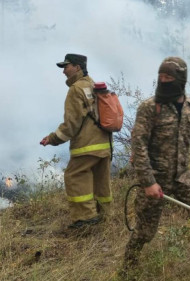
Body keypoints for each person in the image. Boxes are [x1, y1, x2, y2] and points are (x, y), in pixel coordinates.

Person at [124, 57, 190, 275]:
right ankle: (128, 268)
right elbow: (139, 146)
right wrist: (148, 182)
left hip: (183, 177)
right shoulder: (149, 107)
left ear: (180, 79)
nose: (163, 81)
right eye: (160, 77)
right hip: (155, 180)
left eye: (169, 77)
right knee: (145, 232)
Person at [40, 54, 113, 229]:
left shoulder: (76, 89)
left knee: (74, 176)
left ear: (78, 67)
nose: (64, 71)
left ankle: (85, 220)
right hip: (105, 144)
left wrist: (52, 138)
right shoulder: (93, 85)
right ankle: (105, 216)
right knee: (100, 181)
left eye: (67, 66)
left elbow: (71, 124)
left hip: (87, 145)